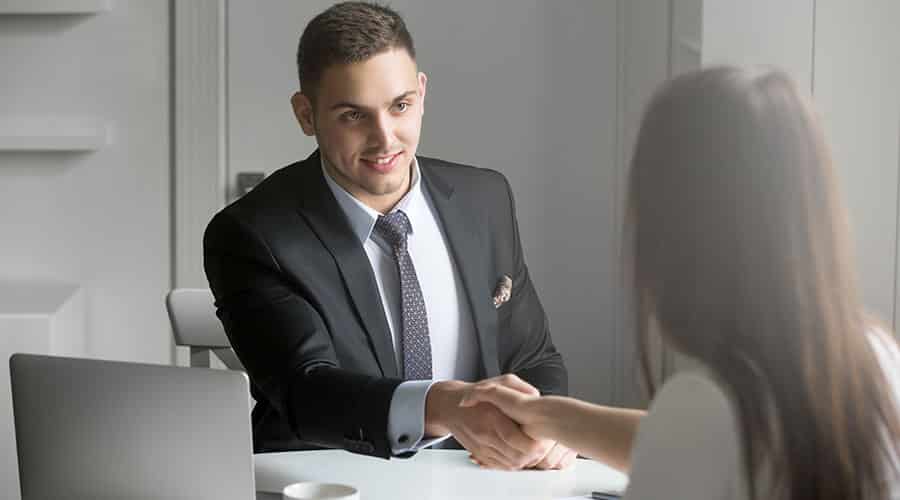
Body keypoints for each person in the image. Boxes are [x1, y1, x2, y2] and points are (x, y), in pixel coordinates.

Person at [461, 66, 900, 499]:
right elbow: (688, 441)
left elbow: (694, 436)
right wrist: (548, 416)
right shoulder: (877, 357)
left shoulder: (704, 409)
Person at [203, 1, 574, 470]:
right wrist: (444, 406)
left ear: (421, 93)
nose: (385, 139)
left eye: (400, 106)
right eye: (353, 116)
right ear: (305, 114)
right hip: (327, 480)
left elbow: (534, 357)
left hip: (477, 479)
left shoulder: (486, 198)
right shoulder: (251, 234)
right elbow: (306, 390)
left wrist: (548, 425)